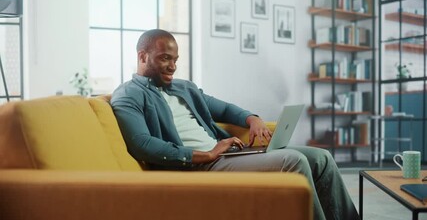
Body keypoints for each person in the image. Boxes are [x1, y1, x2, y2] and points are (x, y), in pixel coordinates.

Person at [111, 29, 360, 220]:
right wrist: (207, 153)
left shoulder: (183, 87)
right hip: (197, 167)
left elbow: (225, 109)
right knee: (293, 161)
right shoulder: (128, 94)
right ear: (143, 56)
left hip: (227, 155)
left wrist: (252, 119)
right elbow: (142, 144)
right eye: (165, 58)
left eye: (175, 59)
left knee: (321, 157)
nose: (173, 66)